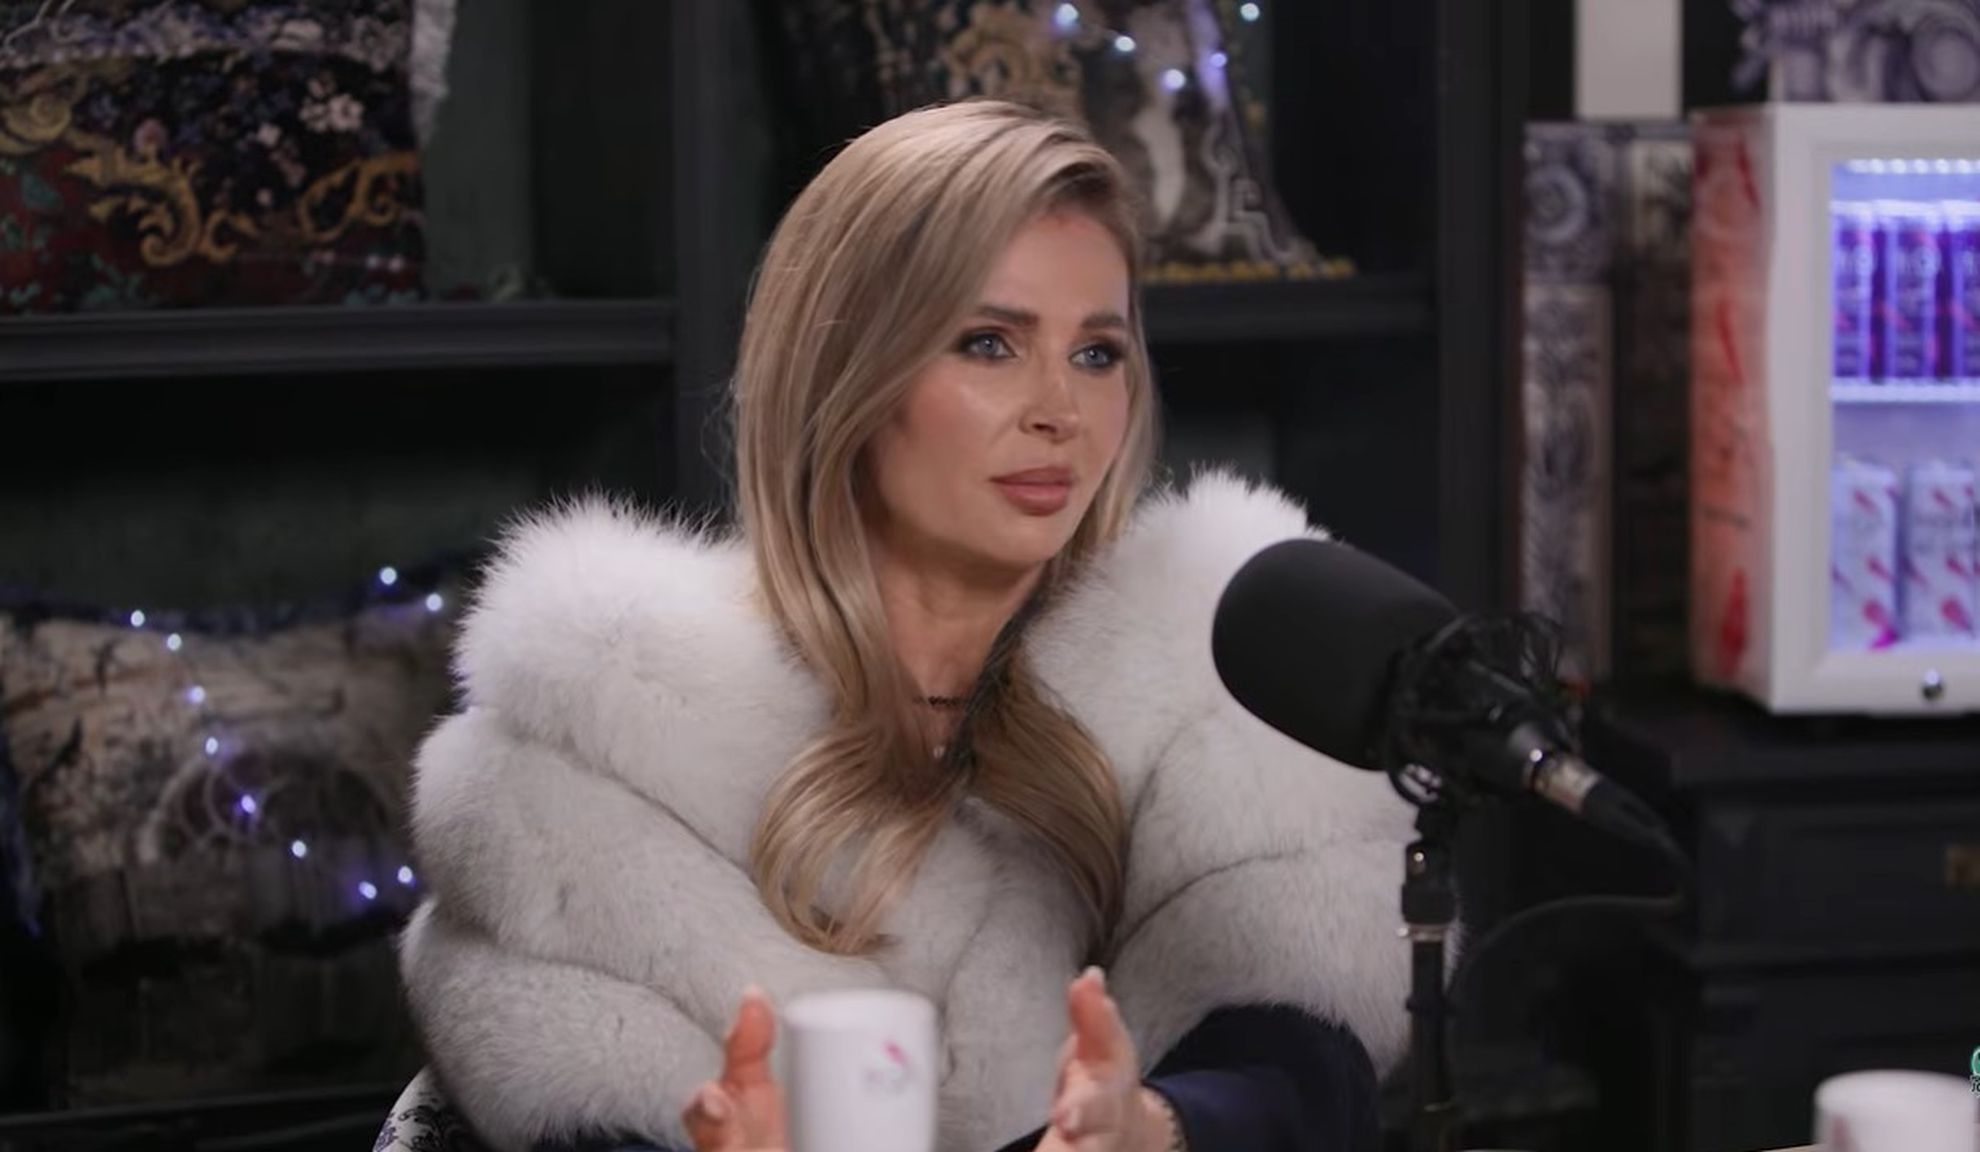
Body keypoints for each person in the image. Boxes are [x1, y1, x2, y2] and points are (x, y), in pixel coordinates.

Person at [398, 99, 1416, 1152]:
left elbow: (1301, 1058)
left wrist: (1154, 1126)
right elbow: (560, 1076)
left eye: (1098, 353)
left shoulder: (1217, 687)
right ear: (848, 373)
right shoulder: (605, 746)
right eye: (990, 343)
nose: (1060, 412)